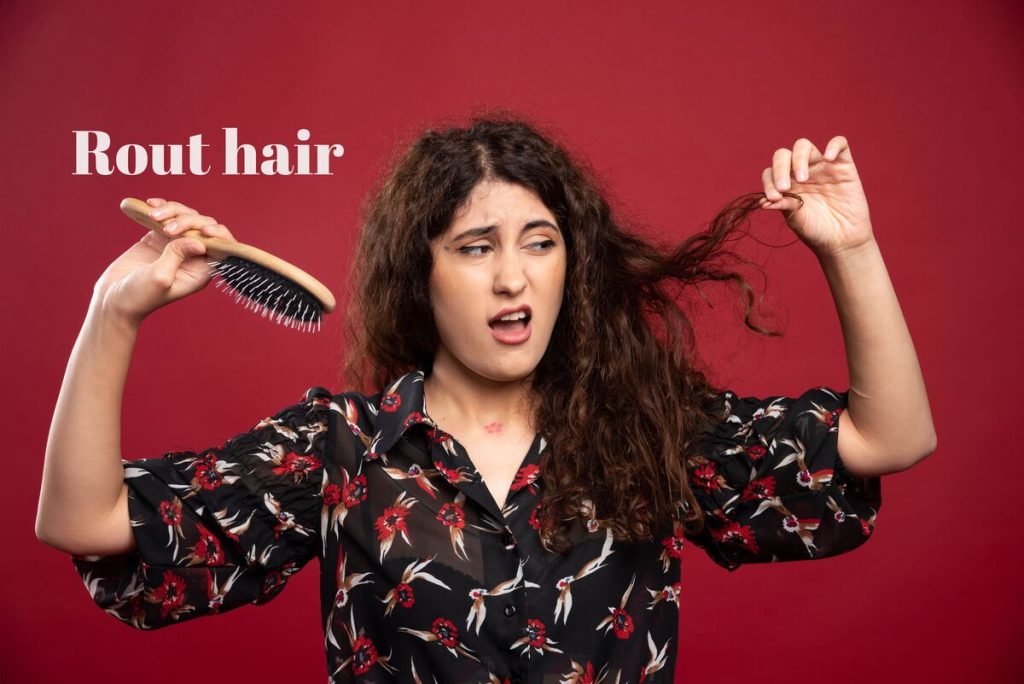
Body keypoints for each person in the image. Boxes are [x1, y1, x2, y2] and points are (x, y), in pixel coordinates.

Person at [37, 114, 936, 683]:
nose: (513, 277)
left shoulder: (645, 427)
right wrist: (112, 315)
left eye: (539, 242)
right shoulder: (342, 447)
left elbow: (889, 437)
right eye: (474, 247)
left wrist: (848, 249)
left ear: (570, 265)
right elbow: (87, 522)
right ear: (417, 277)